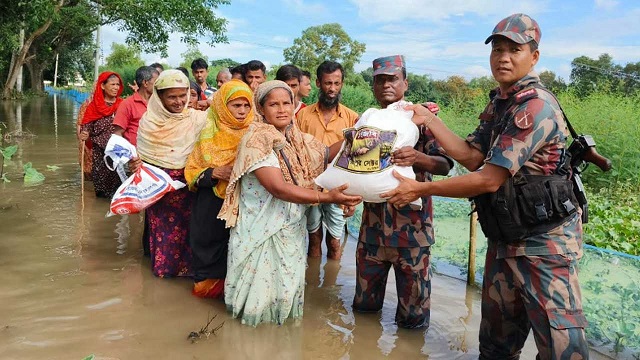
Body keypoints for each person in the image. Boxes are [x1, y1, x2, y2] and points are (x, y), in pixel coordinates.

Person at [381, 14, 589, 359]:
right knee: (495, 347)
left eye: (514, 50)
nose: (503, 57)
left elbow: (489, 179)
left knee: (562, 350)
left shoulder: (535, 105)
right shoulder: (500, 102)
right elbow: (473, 157)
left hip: (544, 247)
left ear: (533, 57)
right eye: (497, 50)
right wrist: (431, 120)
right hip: (504, 242)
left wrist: (420, 190)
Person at [219, 80, 362, 327]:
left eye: (287, 103)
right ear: (261, 109)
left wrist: (357, 135)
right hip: (260, 230)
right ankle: (251, 340)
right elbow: (278, 187)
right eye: (274, 104)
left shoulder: (297, 138)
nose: (282, 109)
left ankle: (280, 337)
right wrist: (327, 197)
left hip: (290, 229)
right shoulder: (256, 140)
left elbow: (326, 155)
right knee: (258, 295)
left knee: (284, 287)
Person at [351, 55, 452, 329]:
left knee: (413, 321)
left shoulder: (421, 119)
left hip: (413, 237)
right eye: (379, 80)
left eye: (392, 79)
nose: (386, 84)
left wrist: (417, 158)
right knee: (363, 312)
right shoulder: (368, 122)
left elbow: (445, 165)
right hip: (372, 233)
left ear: (405, 83)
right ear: (373, 86)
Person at [184, 79, 255, 299]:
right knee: (206, 241)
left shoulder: (256, 133)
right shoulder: (206, 131)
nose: (242, 111)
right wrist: (214, 172)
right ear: (223, 106)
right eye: (236, 105)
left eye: (246, 106)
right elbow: (192, 169)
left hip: (246, 203)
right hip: (211, 201)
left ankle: (236, 295)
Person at [136, 69, 208, 278]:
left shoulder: (198, 119)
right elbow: (142, 159)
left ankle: (190, 273)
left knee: (191, 230)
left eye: (182, 95)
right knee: (164, 233)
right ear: (159, 97)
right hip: (160, 189)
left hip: (190, 186)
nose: (178, 102)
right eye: (172, 97)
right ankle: (164, 275)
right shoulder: (149, 122)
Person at [296, 60, 359, 260]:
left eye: (336, 83)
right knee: (313, 239)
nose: (332, 89)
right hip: (311, 187)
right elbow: (296, 153)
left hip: (340, 190)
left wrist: (353, 197)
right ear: (318, 83)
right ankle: (314, 287)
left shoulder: (351, 118)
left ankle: (332, 287)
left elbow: (356, 160)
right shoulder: (302, 116)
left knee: (334, 242)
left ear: (341, 84)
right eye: (327, 83)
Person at [78, 71, 125, 198]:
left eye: (118, 84)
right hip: (99, 153)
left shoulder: (122, 104)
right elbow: (86, 124)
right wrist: (84, 133)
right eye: (112, 84)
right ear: (103, 86)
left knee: (119, 186)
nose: (116, 87)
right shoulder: (93, 106)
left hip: (116, 152)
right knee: (102, 190)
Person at [113, 66, 159, 147]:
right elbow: (117, 134)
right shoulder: (127, 104)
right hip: (135, 156)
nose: (158, 85)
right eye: (156, 81)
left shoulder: (159, 103)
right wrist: (129, 156)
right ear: (145, 83)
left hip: (156, 154)